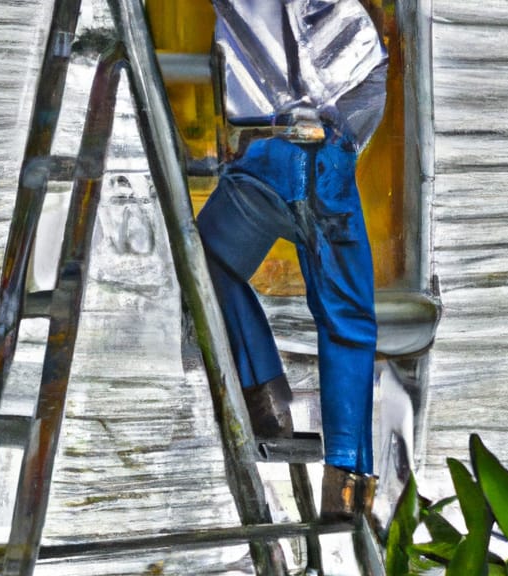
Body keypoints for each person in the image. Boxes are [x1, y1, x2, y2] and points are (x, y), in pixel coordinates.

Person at [200, 0, 387, 519]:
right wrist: (341, 130)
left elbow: (358, 57)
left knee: (204, 263)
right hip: (316, 154)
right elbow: (364, 62)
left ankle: (265, 390)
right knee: (346, 320)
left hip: (270, 152)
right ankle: (347, 482)